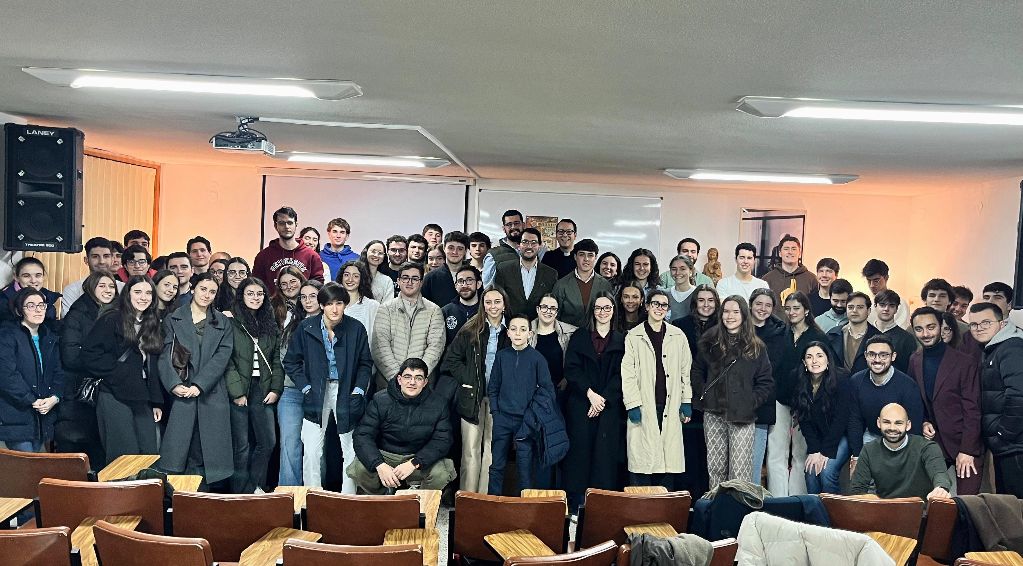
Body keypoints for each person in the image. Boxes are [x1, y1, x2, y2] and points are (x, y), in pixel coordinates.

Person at [283, 282, 373, 492]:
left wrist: (358, 390)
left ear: (345, 305)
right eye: (329, 303)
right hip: (316, 391)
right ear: (321, 305)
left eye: (339, 303)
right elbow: (291, 362)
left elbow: (365, 363)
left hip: (346, 391)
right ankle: (311, 496)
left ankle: (347, 498)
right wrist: (305, 387)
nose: (334, 309)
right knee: (312, 449)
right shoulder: (306, 328)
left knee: (349, 448)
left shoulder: (355, 328)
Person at [158, 272, 235, 484]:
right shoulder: (173, 318)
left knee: (208, 451)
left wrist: (200, 384)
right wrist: (174, 384)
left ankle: (204, 500)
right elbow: (164, 355)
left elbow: (222, 357)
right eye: (203, 289)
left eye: (212, 291)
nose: (207, 295)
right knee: (182, 451)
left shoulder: (222, 322)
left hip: (211, 391)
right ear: (193, 289)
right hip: (181, 389)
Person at [694, 295, 773, 491]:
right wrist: (704, 392)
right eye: (726, 311)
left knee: (740, 472)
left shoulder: (756, 346)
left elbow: (765, 382)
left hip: (742, 416)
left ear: (744, 315)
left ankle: (738, 515)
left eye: (735, 312)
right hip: (713, 412)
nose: (730, 316)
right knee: (716, 468)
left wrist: (749, 402)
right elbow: (696, 371)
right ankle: (715, 514)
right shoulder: (709, 341)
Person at [80, 276, 163, 463]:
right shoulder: (112, 319)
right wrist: (117, 373)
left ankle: (145, 491)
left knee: (149, 451)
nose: (143, 297)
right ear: (128, 294)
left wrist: (156, 401)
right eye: (138, 292)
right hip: (114, 393)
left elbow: (154, 365)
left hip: (142, 394)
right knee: (123, 453)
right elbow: (89, 354)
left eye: (148, 293)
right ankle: (120, 492)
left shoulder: (153, 322)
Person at [348, 358, 456, 494]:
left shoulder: (439, 404)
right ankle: (383, 494)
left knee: (442, 473)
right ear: (399, 379)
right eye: (407, 377)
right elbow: (363, 435)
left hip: (417, 457)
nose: (412, 382)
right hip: (386, 455)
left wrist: (415, 462)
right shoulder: (380, 399)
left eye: (418, 378)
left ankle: (418, 502)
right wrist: (379, 464)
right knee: (359, 469)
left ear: (425, 382)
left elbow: (443, 440)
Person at [622, 290, 693, 489]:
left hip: (670, 405)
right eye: (655, 304)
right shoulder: (634, 336)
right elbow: (628, 374)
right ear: (646, 306)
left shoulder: (678, 335)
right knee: (642, 461)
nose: (659, 308)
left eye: (664, 305)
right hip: (644, 404)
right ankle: (640, 512)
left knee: (667, 462)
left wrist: (686, 400)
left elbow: (684, 371)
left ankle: (664, 512)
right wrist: (633, 404)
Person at [909, 306, 983, 495]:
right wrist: (924, 421)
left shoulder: (965, 362)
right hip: (932, 443)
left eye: (931, 327)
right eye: (919, 329)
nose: (925, 334)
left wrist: (967, 450)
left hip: (964, 442)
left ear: (941, 326)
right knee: (929, 504)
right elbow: (915, 400)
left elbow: (973, 409)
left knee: (967, 506)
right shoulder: (914, 360)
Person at [442, 287, 510, 493]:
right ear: (483, 304)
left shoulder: (511, 330)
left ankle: (484, 500)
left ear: (504, 304)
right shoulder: (471, 328)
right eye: (488, 302)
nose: (493, 307)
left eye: (497, 302)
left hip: (499, 399)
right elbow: (451, 360)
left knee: (491, 449)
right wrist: (469, 379)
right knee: (470, 451)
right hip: (472, 396)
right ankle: (467, 499)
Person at [563, 292, 626, 507]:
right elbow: (571, 369)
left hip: (608, 407)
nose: (602, 312)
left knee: (605, 457)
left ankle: (602, 504)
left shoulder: (621, 339)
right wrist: (590, 394)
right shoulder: (580, 336)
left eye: (607, 308)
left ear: (613, 311)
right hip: (582, 403)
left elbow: (623, 374)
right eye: (598, 308)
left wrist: (603, 400)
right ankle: (576, 503)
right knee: (579, 454)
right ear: (592, 311)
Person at [486, 313, 559, 494]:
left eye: (523, 329)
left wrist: (532, 416)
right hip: (502, 419)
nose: (518, 333)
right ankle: (492, 505)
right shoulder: (502, 357)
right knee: (496, 466)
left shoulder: (537, 359)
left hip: (526, 423)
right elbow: (493, 386)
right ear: (508, 333)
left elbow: (548, 391)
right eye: (513, 329)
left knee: (525, 468)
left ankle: (524, 509)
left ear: (530, 334)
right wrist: (496, 412)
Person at [768, 291, 830, 495]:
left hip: (805, 401)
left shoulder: (818, 336)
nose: (792, 312)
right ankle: (777, 499)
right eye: (788, 308)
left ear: (806, 310)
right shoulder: (780, 333)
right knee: (777, 451)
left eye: (796, 308)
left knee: (800, 453)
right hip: (779, 399)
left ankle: (797, 497)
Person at [225, 277, 284, 493]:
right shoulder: (230, 321)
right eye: (250, 293)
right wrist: (237, 392)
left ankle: (254, 487)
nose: (255, 298)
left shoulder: (270, 322)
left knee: (267, 442)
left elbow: (277, 359)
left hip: (263, 388)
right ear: (241, 295)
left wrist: (276, 388)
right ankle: (238, 493)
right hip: (239, 388)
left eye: (260, 294)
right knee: (241, 447)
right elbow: (227, 360)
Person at [57, 271, 117, 465]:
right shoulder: (78, 314)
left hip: (105, 389)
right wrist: (105, 363)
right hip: (79, 391)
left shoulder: (116, 313)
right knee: (77, 446)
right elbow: (71, 356)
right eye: (102, 286)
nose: (107, 290)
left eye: (111, 286)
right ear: (91, 287)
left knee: (101, 446)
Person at [969, 301, 1023, 497]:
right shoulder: (994, 348)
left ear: (1002, 323)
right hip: (1008, 446)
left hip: (1015, 445)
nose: (979, 328)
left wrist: (1003, 433)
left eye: (986, 323)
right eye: (974, 324)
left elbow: (1019, 395)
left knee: (1015, 508)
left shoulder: (1012, 347)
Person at [847, 335, 925, 472]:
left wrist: (905, 457)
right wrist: (856, 456)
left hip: (900, 438)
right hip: (871, 435)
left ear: (893, 356)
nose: (877, 360)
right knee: (862, 481)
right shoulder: (856, 381)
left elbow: (914, 428)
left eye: (883, 355)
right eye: (872, 354)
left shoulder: (908, 386)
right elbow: (855, 420)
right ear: (865, 356)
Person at [0, 288, 64, 452]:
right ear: (19, 310)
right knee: (24, 471)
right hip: (16, 414)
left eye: (41, 305)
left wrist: (54, 398)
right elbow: (6, 375)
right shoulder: (7, 335)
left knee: (37, 472)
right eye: (31, 305)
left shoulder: (49, 337)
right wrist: (31, 400)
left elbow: (58, 372)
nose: (37, 309)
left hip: (43, 415)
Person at [671, 284, 720, 497]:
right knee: (687, 450)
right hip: (686, 395)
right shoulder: (679, 326)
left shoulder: (724, 326)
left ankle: (705, 499)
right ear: (694, 303)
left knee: (710, 452)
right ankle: (686, 499)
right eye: (701, 300)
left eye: (711, 300)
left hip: (715, 398)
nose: (706, 304)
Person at [850, 403, 952, 500]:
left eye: (898, 423)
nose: (892, 428)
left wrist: (941, 488)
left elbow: (940, 474)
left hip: (921, 511)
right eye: (886, 422)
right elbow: (857, 490)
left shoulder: (927, 448)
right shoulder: (869, 450)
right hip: (884, 510)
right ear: (878, 423)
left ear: (908, 425)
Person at [371, 262, 445, 388]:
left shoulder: (434, 311)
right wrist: (399, 378)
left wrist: (417, 377)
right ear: (398, 281)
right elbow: (380, 347)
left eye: (415, 278)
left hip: (422, 385)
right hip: (389, 383)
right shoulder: (385, 309)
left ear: (421, 282)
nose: (409, 282)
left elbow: (435, 347)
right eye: (405, 278)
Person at [277, 279, 322, 486]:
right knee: (289, 444)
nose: (307, 300)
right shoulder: (292, 325)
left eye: (312, 296)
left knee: (317, 447)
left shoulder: (332, 323)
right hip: (292, 390)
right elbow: (285, 358)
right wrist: (303, 383)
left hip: (322, 393)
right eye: (303, 297)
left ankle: (317, 493)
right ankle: (289, 495)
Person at [793, 342, 851, 494]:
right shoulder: (800, 382)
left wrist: (825, 451)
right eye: (809, 357)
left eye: (819, 356)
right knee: (811, 470)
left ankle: (834, 516)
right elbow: (804, 420)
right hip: (819, 437)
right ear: (804, 362)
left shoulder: (841, 379)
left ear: (828, 360)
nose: (815, 361)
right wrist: (814, 450)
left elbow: (841, 419)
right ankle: (815, 515)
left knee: (826, 472)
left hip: (842, 436)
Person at [748, 289, 784, 485]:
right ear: (751, 304)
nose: (763, 308)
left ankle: (752, 500)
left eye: (768, 305)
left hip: (763, 401)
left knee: (755, 458)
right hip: (737, 400)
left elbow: (775, 365)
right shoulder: (739, 327)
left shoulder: (779, 331)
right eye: (759, 304)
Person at [494, 228, 557, 320]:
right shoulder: (503, 269)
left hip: (538, 326)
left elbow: (551, 303)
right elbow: (498, 299)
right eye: (525, 242)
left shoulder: (551, 274)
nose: (529, 246)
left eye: (534, 242)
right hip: (510, 326)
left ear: (540, 246)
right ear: (519, 245)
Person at [253, 207, 325, 287]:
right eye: (281, 223)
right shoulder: (263, 256)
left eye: (290, 223)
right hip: (273, 299)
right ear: (275, 226)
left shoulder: (312, 256)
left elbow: (318, 286)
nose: (286, 226)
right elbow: (257, 285)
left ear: (296, 225)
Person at [551, 239, 610, 328]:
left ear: (596, 258)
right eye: (582, 254)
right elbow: (554, 316)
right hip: (568, 337)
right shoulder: (561, 284)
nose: (586, 259)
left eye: (590, 255)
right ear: (575, 257)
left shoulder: (605, 285)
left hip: (597, 337)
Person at [61, 237, 119, 316]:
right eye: (95, 256)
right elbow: (69, 323)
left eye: (106, 256)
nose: (101, 261)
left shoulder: (122, 288)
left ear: (112, 259)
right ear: (86, 260)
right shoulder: (72, 290)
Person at [826, 292, 880, 374]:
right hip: (837, 384)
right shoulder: (832, 335)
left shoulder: (879, 338)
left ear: (868, 311)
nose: (854, 311)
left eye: (860, 307)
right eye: (850, 307)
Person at [762, 236, 817, 313]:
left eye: (794, 249)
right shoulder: (767, 279)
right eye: (786, 249)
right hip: (775, 324)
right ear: (780, 253)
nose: (790, 252)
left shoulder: (811, 279)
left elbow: (815, 306)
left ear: (799, 253)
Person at [0, 257, 61, 324]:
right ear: (16, 277)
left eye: (38, 275)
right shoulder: (3, 301)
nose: (33, 281)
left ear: (43, 277)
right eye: (26, 276)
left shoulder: (48, 298)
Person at [337, 260, 380, 347]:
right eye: (346, 275)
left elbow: (377, 338)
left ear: (361, 279)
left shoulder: (372, 306)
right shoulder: (332, 305)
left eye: (355, 276)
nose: (350, 279)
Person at [873, 290, 918, 373]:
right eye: (882, 305)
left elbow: (911, 369)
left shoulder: (907, 338)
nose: (886, 309)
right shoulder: (865, 333)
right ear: (875, 306)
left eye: (891, 305)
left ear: (896, 309)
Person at [422, 231, 470, 308]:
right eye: (451, 248)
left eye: (460, 249)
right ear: (444, 248)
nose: (455, 252)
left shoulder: (474, 276)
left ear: (465, 251)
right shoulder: (431, 278)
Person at [482, 209, 525, 288]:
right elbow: (488, 288)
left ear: (523, 225)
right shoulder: (493, 255)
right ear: (504, 228)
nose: (513, 227)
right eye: (509, 224)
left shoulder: (533, 251)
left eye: (516, 223)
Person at [862, 259, 909, 329]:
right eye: (869, 281)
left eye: (876, 280)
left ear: (886, 278)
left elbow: (901, 331)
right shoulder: (864, 302)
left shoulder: (900, 303)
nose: (872, 285)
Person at [441, 266, 481, 345]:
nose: (464, 285)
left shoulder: (485, 310)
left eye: (469, 280)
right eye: (460, 281)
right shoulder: (445, 312)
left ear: (478, 284)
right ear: (456, 286)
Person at [662, 255, 697, 320]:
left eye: (682, 269)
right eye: (674, 269)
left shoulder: (698, 294)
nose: (677, 272)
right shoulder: (664, 294)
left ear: (690, 272)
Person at [271, 267, 306, 331]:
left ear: (301, 281)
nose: (289, 287)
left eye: (292, 282)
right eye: (284, 284)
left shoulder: (310, 303)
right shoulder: (272, 306)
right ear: (280, 286)